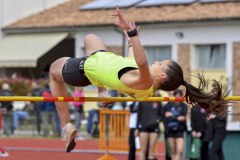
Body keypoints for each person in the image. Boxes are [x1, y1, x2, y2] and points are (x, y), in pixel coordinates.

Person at [49, 6, 230, 152]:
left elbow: (142, 62)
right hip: (102, 60)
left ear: (162, 75)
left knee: (53, 72)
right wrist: (131, 40)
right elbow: (134, 59)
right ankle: (103, 90)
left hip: (84, 70)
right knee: (90, 38)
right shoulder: (143, 82)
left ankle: (66, 125)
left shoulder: (145, 82)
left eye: (161, 62)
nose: (157, 61)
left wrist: (133, 34)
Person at [164, 89, 188, 160]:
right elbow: (166, 117)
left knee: (179, 150)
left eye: (179, 96)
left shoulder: (184, 106)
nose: (177, 98)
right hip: (170, 130)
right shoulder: (168, 105)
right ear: (174, 96)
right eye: (176, 96)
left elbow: (183, 118)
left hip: (180, 129)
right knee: (173, 150)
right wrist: (177, 117)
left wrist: (172, 115)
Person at [136, 94, 162, 160]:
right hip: (144, 127)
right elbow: (139, 115)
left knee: (151, 148)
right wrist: (137, 128)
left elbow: (161, 114)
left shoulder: (158, 101)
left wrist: (157, 120)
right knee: (143, 149)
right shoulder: (142, 101)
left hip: (154, 127)